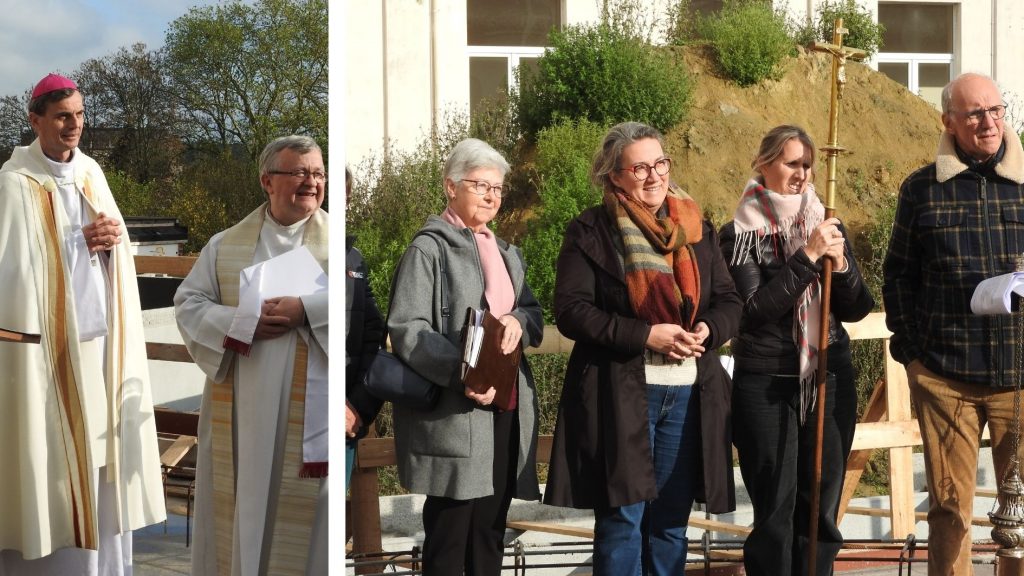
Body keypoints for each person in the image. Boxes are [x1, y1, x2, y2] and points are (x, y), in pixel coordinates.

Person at [543, 121, 743, 575]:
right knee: (622, 519)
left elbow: (731, 301)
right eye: (639, 168)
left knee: (671, 522)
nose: (654, 176)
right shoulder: (590, 230)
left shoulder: (696, 227)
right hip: (624, 392)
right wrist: (645, 334)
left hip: (690, 391)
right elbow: (571, 311)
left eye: (660, 164)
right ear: (614, 176)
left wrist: (709, 329)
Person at [0, 72, 166, 575]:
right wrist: (79, 242)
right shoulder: (13, 184)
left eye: (79, 114)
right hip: (44, 356)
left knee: (101, 464)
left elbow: (113, 260)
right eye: (62, 117)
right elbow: (13, 272)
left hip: (98, 350)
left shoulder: (93, 172)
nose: (74, 125)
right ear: (36, 121)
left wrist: (113, 244)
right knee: (49, 466)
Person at [883, 73, 1024, 575]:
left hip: (1019, 380)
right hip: (946, 379)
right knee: (950, 511)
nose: (989, 122)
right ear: (949, 121)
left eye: (995, 110)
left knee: (1023, 513)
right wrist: (914, 357)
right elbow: (898, 275)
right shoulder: (922, 189)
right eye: (974, 114)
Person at [719, 124, 874, 576]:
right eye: (792, 163)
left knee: (821, 505)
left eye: (808, 165)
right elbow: (754, 312)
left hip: (828, 373)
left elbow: (859, 307)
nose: (802, 174)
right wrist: (807, 257)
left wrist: (841, 265)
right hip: (767, 382)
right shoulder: (738, 232)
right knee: (775, 509)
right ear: (764, 164)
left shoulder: (825, 221)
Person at [387, 138, 544, 576]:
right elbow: (407, 328)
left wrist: (517, 319)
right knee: (451, 536)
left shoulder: (507, 252)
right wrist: (462, 374)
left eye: (497, 188)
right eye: (480, 185)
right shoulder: (428, 249)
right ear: (450, 187)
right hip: (457, 412)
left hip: (505, 406)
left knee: (490, 532)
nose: (492, 195)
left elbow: (534, 314)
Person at [174, 135, 329, 575]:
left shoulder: (338, 246)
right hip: (242, 409)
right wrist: (242, 323)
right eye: (299, 172)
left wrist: (307, 310)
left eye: (317, 173)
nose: (311, 182)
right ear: (267, 180)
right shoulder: (225, 245)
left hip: (310, 416)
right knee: (242, 507)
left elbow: (362, 318)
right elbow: (188, 305)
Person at [345, 167, 384, 489]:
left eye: (345, 198)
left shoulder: (355, 260)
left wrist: (358, 407)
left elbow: (374, 335)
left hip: (345, 421)